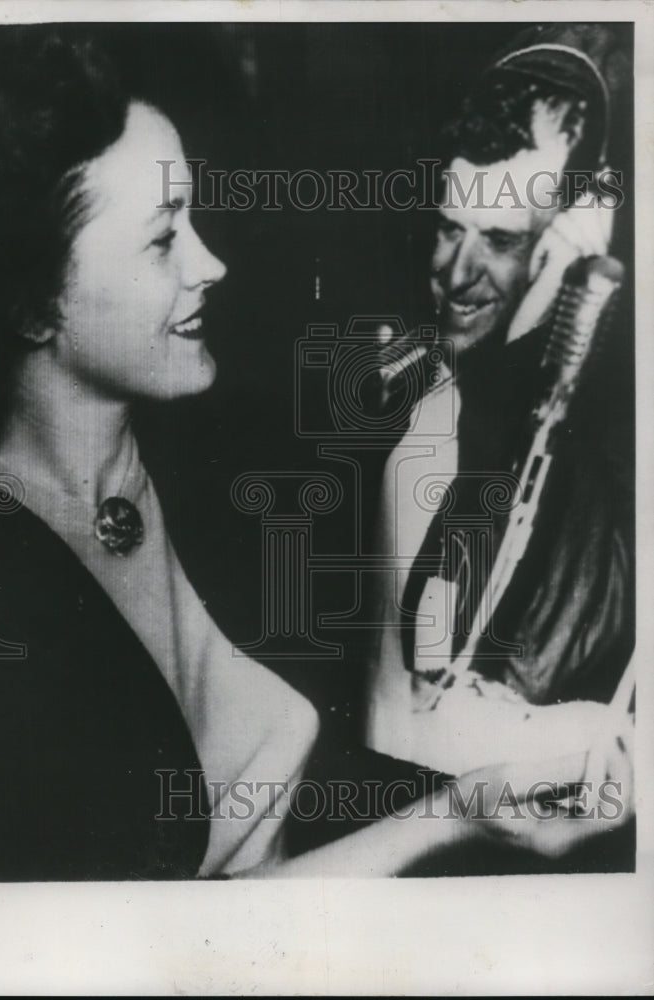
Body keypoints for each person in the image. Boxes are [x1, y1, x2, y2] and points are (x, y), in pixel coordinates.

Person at [0, 24, 631, 882]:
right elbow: (149, 948)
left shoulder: (228, 461)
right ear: (33, 305)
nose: (212, 262)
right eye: (163, 238)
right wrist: (457, 818)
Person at [365, 24, 635, 792]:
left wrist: (568, 298)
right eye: (449, 228)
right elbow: (407, 718)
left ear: (570, 244)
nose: (456, 274)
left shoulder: (598, 442)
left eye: (502, 241)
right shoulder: (413, 411)